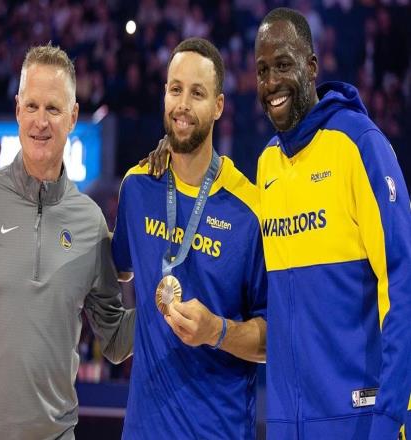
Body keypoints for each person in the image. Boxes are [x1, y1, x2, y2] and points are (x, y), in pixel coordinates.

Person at [145, 8, 411, 440]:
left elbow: (402, 284)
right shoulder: (268, 163)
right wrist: (172, 146)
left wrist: (392, 415)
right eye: (263, 70)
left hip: (361, 419)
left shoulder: (359, 145)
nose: (271, 82)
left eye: (284, 65)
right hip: (288, 423)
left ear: (312, 66)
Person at [0, 44, 135, 440]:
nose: (40, 121)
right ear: (17, 110)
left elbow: (115, 340)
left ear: (73, 116)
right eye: (32, 106)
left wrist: (167, 299)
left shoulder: (90, 222)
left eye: (53, 108)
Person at [112, 37, 267, 440]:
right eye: (175, 89)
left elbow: (273, 339)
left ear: (218, 106)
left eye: (197, 93)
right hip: (143, 430)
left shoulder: (249, 211)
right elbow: (118, 269)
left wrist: (217, 331)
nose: (182, 104)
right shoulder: (137, 186)